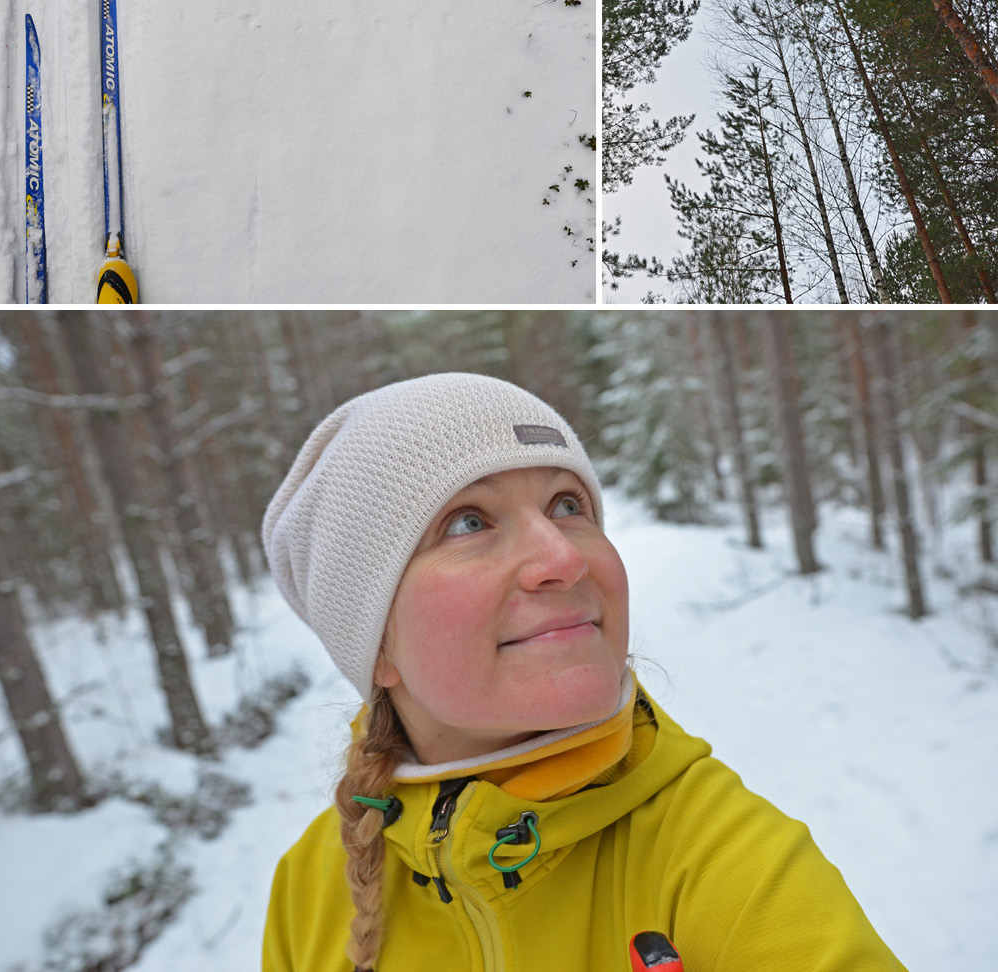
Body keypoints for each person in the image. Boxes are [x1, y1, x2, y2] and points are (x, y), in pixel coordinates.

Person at [261, 372, 908, 972]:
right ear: (374, 647)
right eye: (469, 522)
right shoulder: (308, 891)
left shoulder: (723, 859)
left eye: (568, 505)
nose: (563, 557)